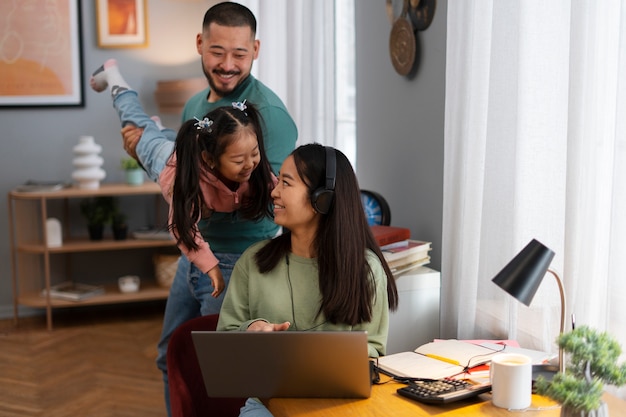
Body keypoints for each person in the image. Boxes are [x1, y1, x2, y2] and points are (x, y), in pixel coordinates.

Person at [102, 3, 297, 415]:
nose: (227, 65)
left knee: (220, 374)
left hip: (236, 263)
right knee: (169, 357)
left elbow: (270, 204)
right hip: (193, 251)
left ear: (256, 50)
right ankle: (119, 86)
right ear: (200, 45)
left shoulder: (270, 118)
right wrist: (147, 156)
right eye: (217, 51)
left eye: (239, 54)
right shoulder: (195, 108)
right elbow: (182, 201)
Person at [217, 143, 399, 416]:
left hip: (338, 406)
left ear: (321, 199)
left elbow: (372, 351)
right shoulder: (253, 261)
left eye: (286, 183)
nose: (274, 191)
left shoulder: (365, 270)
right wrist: (250, 330)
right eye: (277, 181)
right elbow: (223, 346)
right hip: (267, 405)